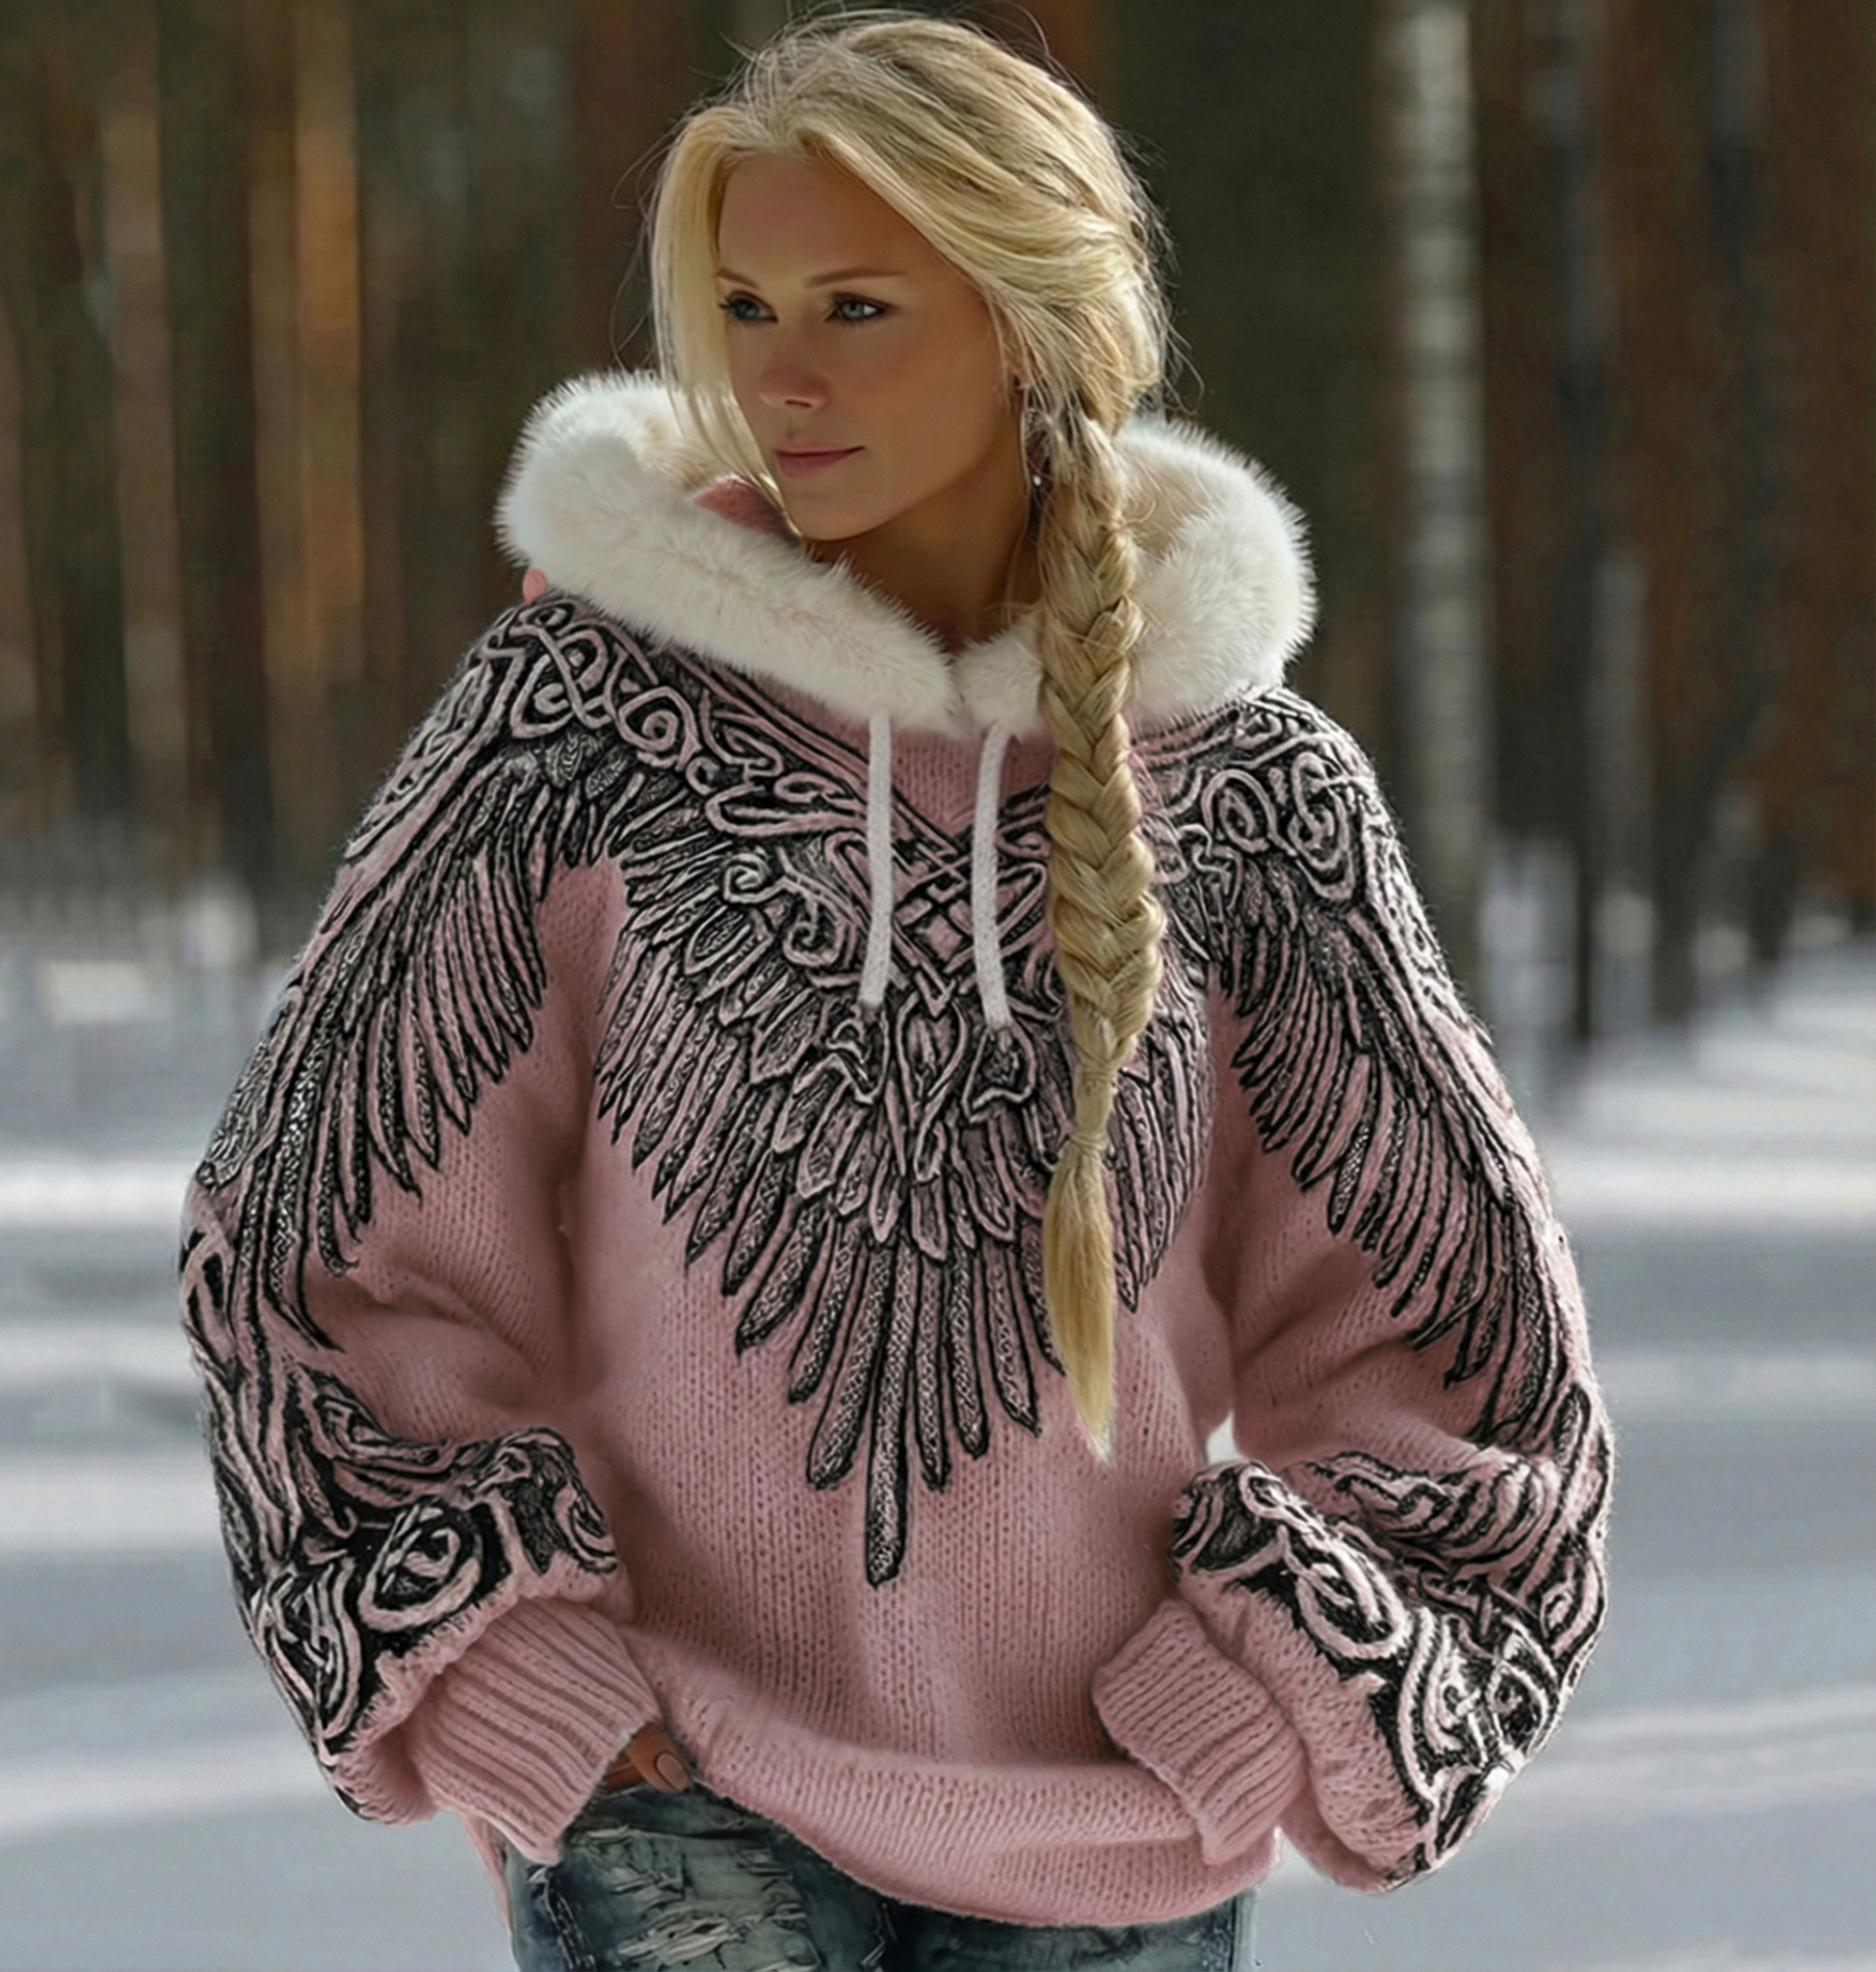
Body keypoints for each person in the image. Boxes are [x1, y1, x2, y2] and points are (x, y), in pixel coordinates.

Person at [179, 14, 1613, 1970]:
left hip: (1116, 1836)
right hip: (675, 1812)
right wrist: (533, 1690)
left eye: (856, 308)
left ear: (1032, 324)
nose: (782, 377)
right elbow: (314, 1229)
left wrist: (1250, 1706)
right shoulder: (575, 718)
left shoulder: (1251, 789)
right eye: (747, 308)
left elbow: (1470, 1349)